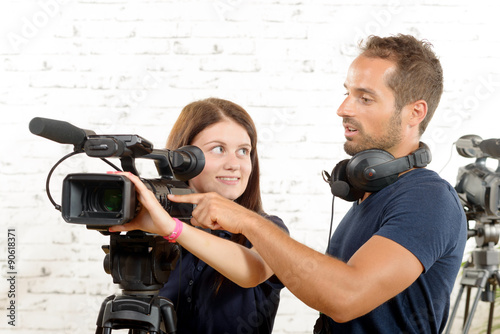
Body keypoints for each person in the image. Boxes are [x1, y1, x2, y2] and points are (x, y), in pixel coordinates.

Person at [167, 34, 468, 333]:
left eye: (365, 98)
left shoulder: (428, 199)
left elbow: (345, 297)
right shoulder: (368, 196)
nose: (344, 109)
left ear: (415, 112)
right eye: (347, 93)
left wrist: (249, 222)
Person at [109, 98, 288, 334]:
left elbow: (251, 272)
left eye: (243, 151)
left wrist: (173, 229)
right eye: (218, 149)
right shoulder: (152, 232)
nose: (234, 164)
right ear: (183, 159)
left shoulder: (269, 228)